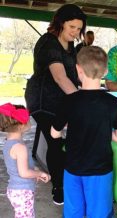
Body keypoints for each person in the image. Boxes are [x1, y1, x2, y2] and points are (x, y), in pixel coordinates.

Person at [50, 46, 117, 217]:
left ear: (78, 69)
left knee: (73, 212)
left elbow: (54, 133)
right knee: (99, 213)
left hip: (72, 169)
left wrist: (69, 128)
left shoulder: (68, 101)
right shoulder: (112, 102)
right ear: (106, 71)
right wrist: (106, 131)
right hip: (100, 171)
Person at [24, 4, 87, 205]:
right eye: (72, 27)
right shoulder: (48, 43)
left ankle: (71, 180)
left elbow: (75, 75)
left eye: (79, 28)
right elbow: (60, 78)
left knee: (67, 141)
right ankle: (58, 188)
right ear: (60, 23)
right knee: (55, 141)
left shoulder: (71, 47)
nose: (75, 32)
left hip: (63, 99)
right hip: (43, 100)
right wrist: (82, 103)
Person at [0, 103, 51, 218]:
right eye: (28, 119)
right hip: (22, 191)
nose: (30, 121)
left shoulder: (9, 142)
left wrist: (35, 170)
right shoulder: (20, 147)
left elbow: (17, 166)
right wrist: (40, 173)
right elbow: (24, 173)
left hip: (16, 190)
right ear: (21, 126)